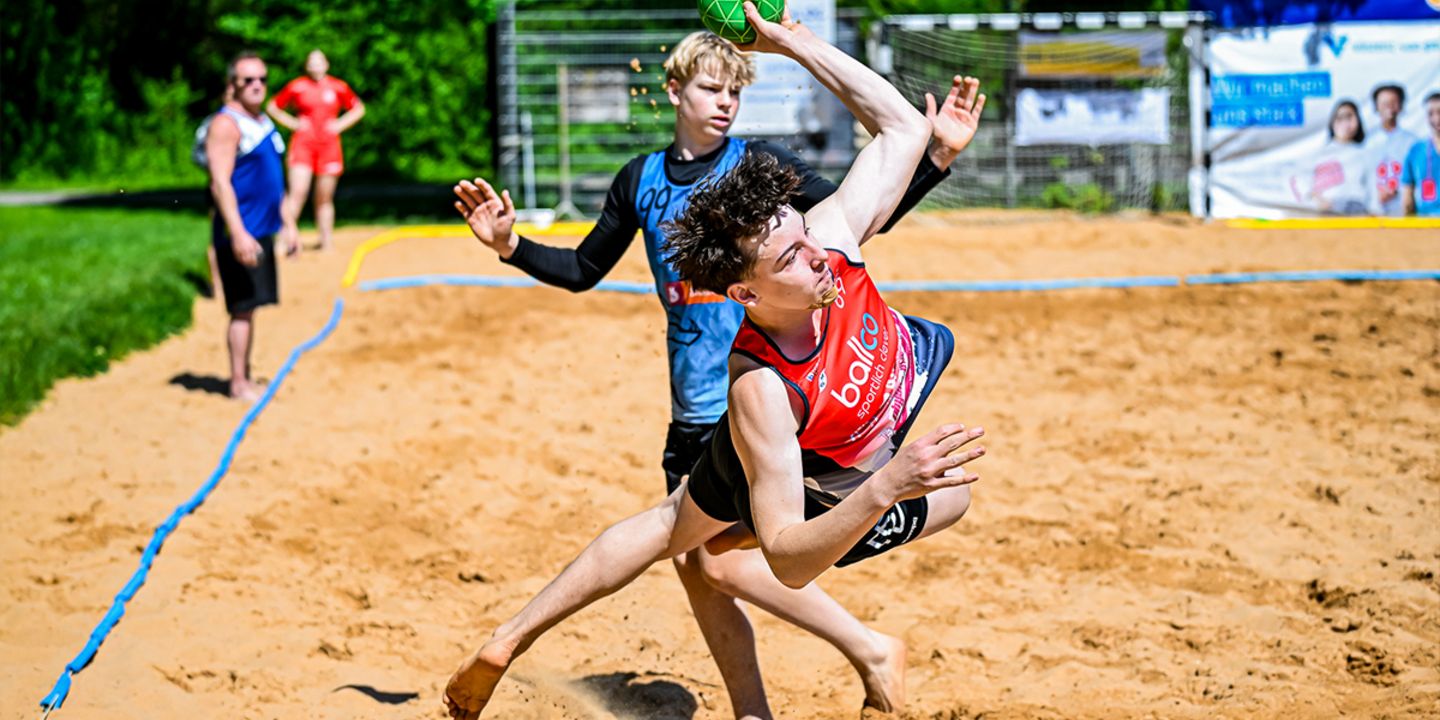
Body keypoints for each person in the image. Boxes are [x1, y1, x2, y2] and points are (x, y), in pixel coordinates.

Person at [443, 6, 986, 718]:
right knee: (700, 556)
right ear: (674, 91)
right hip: (726, 412)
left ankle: (839, 663)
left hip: (804, 419)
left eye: (735, 90)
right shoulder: (647, 184)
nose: (725, 102)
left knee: (691, 546)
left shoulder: (774, 193)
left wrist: (797, 45)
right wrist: (513, 248)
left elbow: (877, 185)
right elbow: (583, 267)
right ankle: (813, 677)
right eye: (710, 89)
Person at [206, 51, 295, 402]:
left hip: (263, 230)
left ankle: (243, 376)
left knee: (252, 306)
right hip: (242, 232)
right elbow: (220, 183)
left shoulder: (263, 121)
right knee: (242, 308)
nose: (257, 85)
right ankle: (237, 383)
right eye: (248, 80)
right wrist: (239, 233)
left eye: (262, 79)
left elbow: (275, 181)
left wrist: (288, 224)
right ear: (233, 85)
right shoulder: (226, 125)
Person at [267, 49, 365, 251]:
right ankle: (282, 242)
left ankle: (326, 242)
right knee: (297, 193)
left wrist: (339, 124)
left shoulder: (338, 87)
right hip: (303, 145)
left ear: (326, 64)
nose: (315, 66)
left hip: (329, 147)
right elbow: (272, 106)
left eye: (319, 61)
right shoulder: (297, 86)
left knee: (324, 197)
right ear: (306, 66)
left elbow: (358, 109)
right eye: (311, 62)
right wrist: (293, 123)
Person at [1291, 99, 1369, 215]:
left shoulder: (1365, 154)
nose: (1345, 123)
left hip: (1358, 216)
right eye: (1340, 118)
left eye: (1350, 117)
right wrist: (1316, 199)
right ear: (1332, 122)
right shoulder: (1319, 153)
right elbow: (1297, 180)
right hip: (1326, 215)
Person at [1365, 84, 1419, 216]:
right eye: (1384, 103)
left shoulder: (1412, 142)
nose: (1389, 107)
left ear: (1401, 106)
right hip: (1372, 212)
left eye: (1393, 102)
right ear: (1376, 107)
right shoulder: (1366, 142)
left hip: (1403, 212)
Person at [1401, 91, 1440, 217]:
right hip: (1425, 224)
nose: (1436, 118)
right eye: (1431, 113)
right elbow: (1408, 196)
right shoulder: (1416, 151)